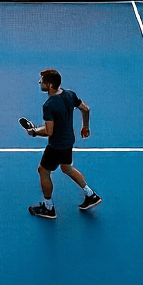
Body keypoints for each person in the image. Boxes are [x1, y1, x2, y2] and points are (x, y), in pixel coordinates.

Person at [26, 68, 101, 219]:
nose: (40, 83)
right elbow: (85, 109)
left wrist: (34, 132)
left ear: (49, 84)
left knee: (43, 170)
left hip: (56, 146)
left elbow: (49, 131)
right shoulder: (70, 95)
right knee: (67, 168)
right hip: (68, 141)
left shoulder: (49, 105)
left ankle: (48, 208)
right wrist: (85, 126)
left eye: (42, 81)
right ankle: (90, 194)